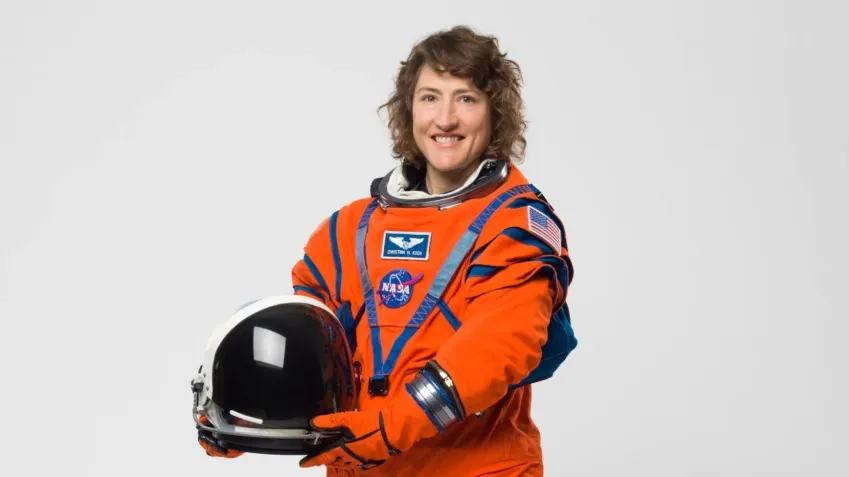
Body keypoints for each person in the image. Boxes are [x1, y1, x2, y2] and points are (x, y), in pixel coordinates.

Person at [199, 25, 577, 476]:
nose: (445, 119)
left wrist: (390, 427)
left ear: (495, 112)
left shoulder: (515, 223)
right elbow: (314, 356)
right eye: (430, 97)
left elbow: (498, 347)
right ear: (408, 109)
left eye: (466, 99)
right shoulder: (347, 232)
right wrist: (248, 414)